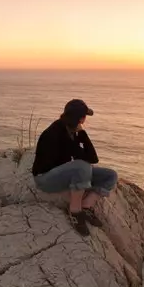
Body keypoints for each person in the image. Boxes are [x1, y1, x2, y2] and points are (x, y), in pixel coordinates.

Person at [32, 99, 118, 236]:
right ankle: (75, 212)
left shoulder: (71, 131)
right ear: (80, 119)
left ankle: (86, 205)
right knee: (82, 166)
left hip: (62, 173)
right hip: (45, 179)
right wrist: (81, 135)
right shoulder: (57, 132)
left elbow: (93, 158)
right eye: (84, 117)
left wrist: (82, 134)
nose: (84, 120)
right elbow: (87, 160)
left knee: (110, 175)